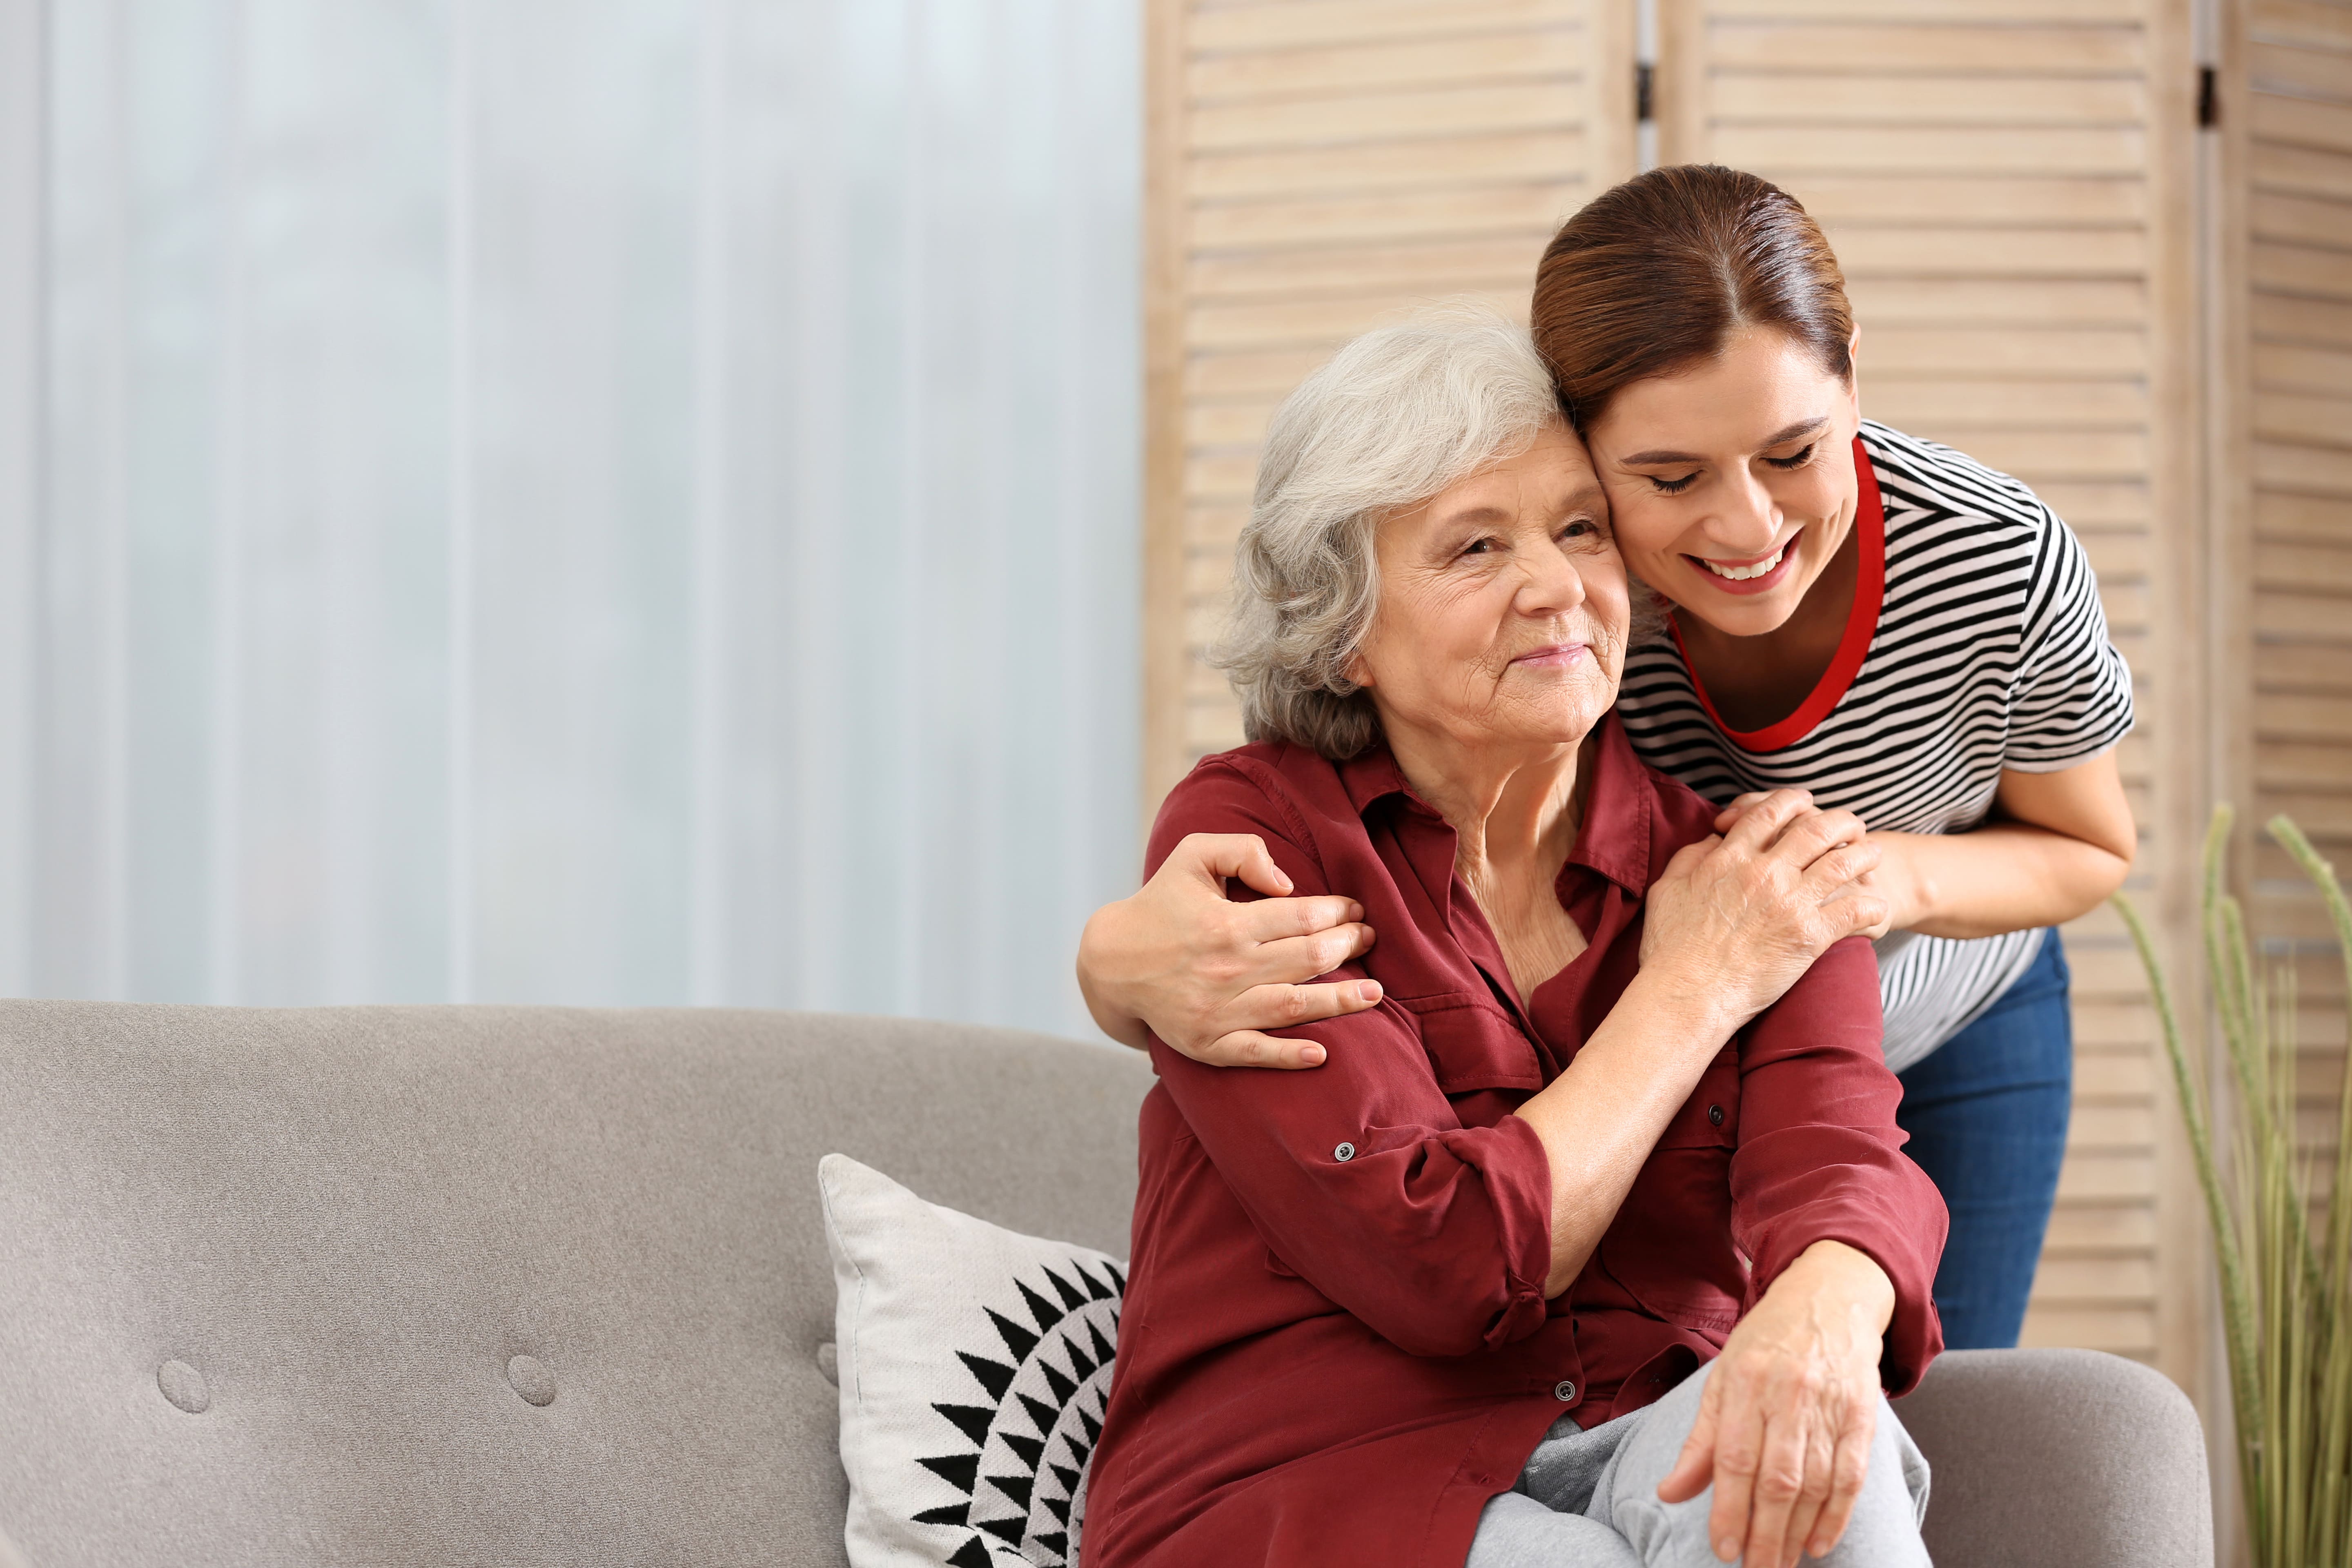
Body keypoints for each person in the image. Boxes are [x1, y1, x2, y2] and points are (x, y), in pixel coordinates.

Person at [1077, 165, 2136, 1351]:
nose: (1746, 531)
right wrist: (1109, 963)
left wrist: (1873, 882)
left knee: (1936, 1379)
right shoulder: (1581, 590)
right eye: (1670, 478)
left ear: (1854, 383)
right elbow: (1359, 744)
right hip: (1712, 987)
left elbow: (2091, 846)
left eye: (1795, 452)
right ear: (1583, 446)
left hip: (1941, 989)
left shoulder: (1995, 560)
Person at [1080, 307, 1944, 1568]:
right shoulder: (1258, 842)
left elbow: (1845, 1160)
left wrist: (1824, 1308)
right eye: (1476, 547)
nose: (1557, 586)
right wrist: (1693, 987)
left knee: (1819, 1463)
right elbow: (1443, 1266)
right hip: (1317, 1476)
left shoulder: (1747, 866)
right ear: (1343, 631)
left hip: (1648, 1419)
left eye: (1581, 529)